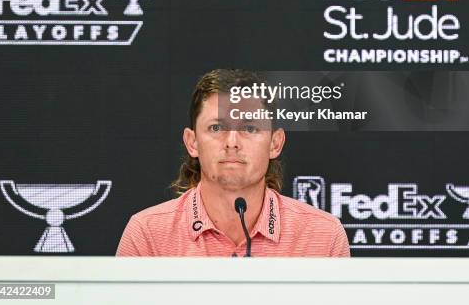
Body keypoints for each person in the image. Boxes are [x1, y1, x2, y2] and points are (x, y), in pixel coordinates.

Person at [116, 69, 350, 257]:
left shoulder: (323, 236)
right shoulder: (147, 234)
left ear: (275, 144)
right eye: (216, 127)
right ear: (192, 142)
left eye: (249, 128)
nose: (232, 142)